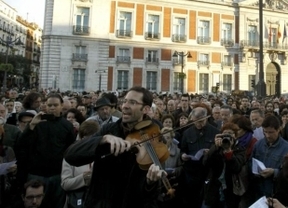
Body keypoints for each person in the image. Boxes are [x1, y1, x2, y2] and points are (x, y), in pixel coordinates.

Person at [64, 86, 165, 208]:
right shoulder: (109, 129)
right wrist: (102, 139)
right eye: (125, 101)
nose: (125, 106)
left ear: (146, 109)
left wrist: (150, 184)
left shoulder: (155, 136)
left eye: (132, 102)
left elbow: (154, 194)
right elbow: (71, 155)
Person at [16, 93, 76, 208]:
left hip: (57, 174)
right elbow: (22, 144)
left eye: (55, 105)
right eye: (49, 105)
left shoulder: (67, 125)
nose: (52, 108)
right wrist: (31, 125)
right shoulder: (37, 123)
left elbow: (70, 149)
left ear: (61, 105)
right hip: (36, 174)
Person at [180, 107, 220, 208]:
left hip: (208, 172)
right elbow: (183, 149)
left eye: (201, 121)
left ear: (206, 118)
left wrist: (211, 152)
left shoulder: (214, 132)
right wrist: (183, 155)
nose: (198, 124)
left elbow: (219, 154)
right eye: (196, 121)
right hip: (192, 173)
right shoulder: (187, 132)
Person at [203, 123, 246, 208]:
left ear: (236, 136)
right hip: (214, 188)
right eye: (225, 134)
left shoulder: (240, 149)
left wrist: (229, 152)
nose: (227, 136)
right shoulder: (216, 148)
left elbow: (236, 168)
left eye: (230, 134)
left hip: (230, 189)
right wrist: (215, 147)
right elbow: (205, 163)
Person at [61, 120, 100, 208]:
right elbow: (65, 184)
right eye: (87, 139)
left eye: (93, 139)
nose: (90, 143)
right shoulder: (71, 155)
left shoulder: (103, 154)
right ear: (81, 138)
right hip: (77, 202)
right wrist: (84, 178)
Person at [250, 115, 288, 202]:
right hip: (259, 190)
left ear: (278, 130)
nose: (267, 135)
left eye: (271, 132)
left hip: (275, 193)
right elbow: (251, 162)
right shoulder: (258, 145)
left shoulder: (286, 148)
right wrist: (255, 171)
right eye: (265, 132)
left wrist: (274, 172)